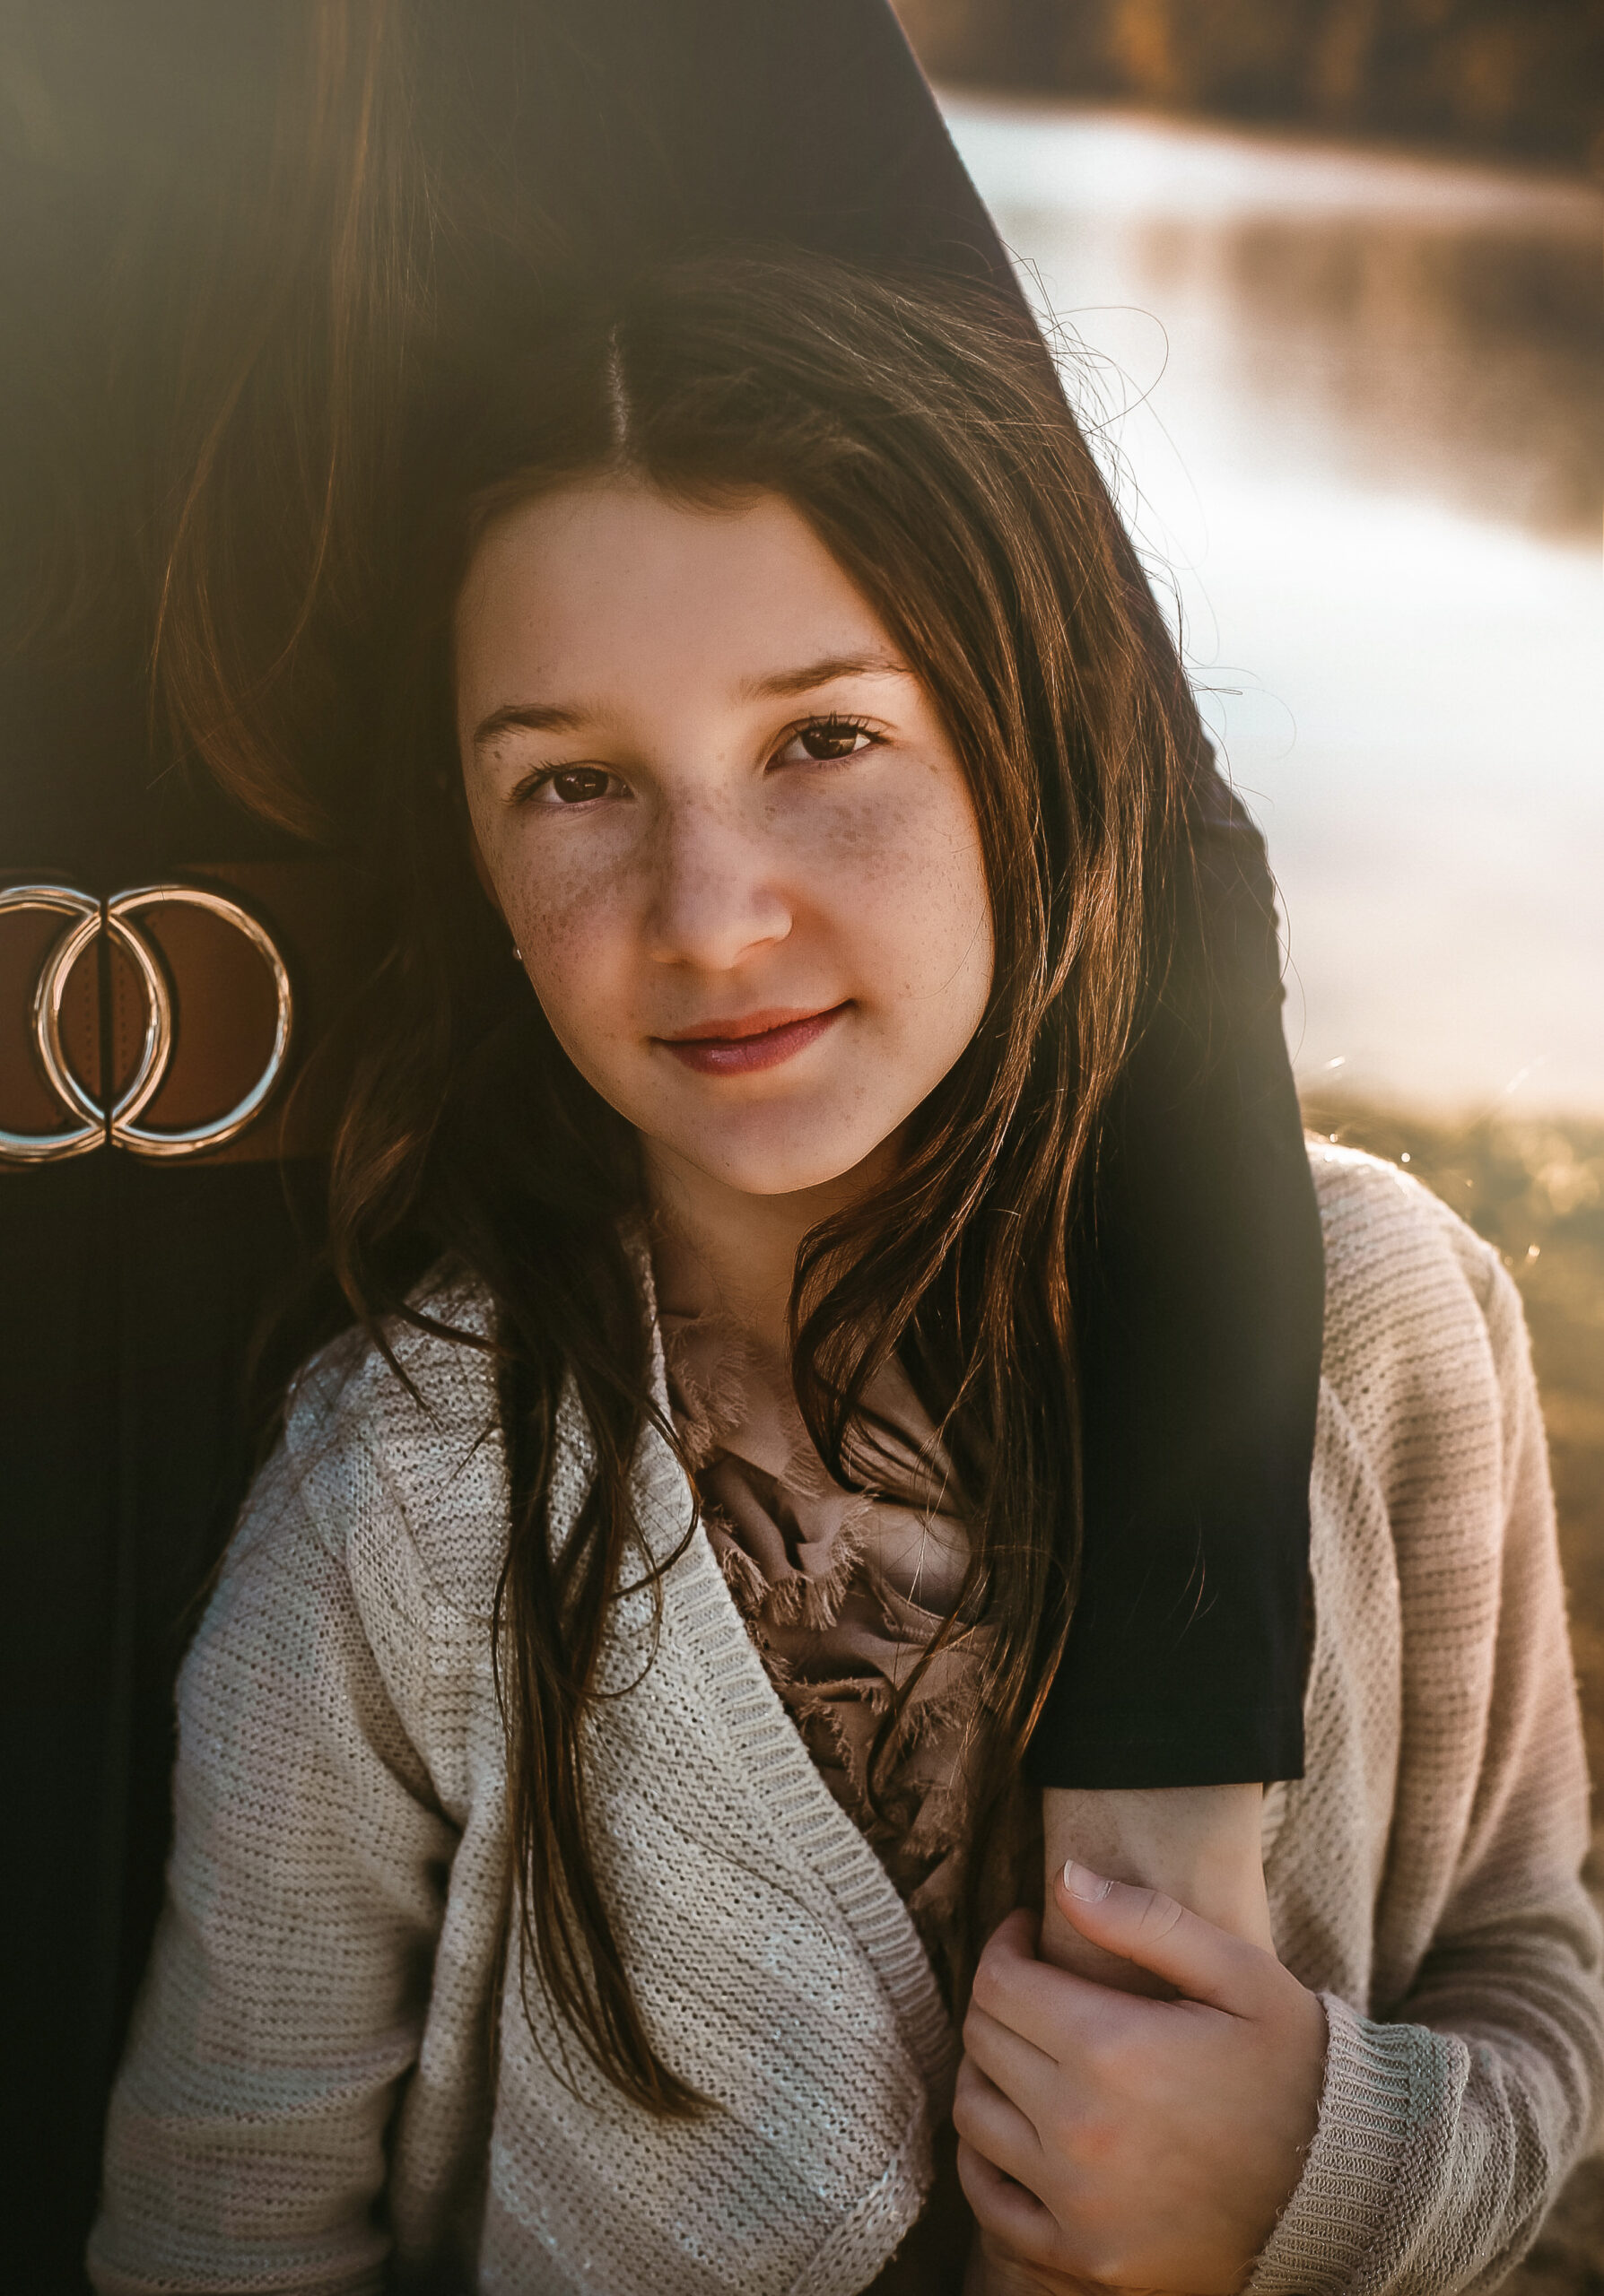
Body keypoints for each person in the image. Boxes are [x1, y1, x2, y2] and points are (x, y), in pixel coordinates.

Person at [86, 248, 1601, 2296]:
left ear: (1022, 742)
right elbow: (221, 2228)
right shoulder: (401, 1498)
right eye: (575, 782)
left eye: (821, 740)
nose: (708, 914)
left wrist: (1313, 2171)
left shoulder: (1390, 1323)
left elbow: (1527, 1976)